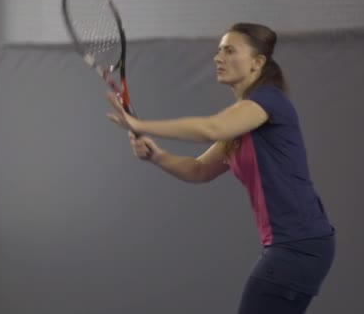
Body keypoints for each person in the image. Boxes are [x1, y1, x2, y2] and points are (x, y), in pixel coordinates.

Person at [106, 23, 335, 314]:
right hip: (299, 245)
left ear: (257, 62)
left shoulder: (268, 101)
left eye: (229, 50)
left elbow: (211, 128)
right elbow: (199, 169)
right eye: (218, 50)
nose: (218, 58)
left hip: (298, 245)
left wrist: (139, 124)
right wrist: (158, 156)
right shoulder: (243, 124)